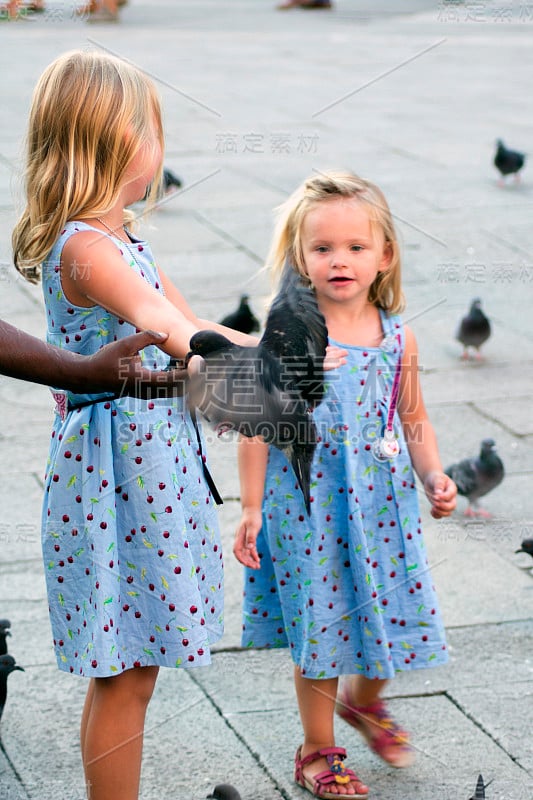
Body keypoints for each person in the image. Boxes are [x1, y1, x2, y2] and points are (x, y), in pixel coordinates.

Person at [13, 49, 257, 800]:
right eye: (151, 128)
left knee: (137, 667)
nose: (161, 144)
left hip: (149, 467)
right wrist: (228, 364)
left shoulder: (121, 239)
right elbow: (162, 324)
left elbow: (190, 321)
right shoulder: (85, 250)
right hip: (116, 478)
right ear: (115, 141)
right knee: (122, 672)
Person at [233, 171, 457, 799]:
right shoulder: (288, 336)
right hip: (309, 509)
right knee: (323, 628)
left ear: (385, 255)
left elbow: (413, 416)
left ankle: (364, 702)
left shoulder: (397, 335)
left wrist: (433, 474)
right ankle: (316, 748)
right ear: (300, 257)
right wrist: (250, 509)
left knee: (390, 610)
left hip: (383, 509)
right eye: (323, 247)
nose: (340, 260)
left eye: (357, 248)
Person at [0, 320, 187, 396]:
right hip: (113, 429)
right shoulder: (83, 244)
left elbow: (183, 321)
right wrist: (83, 371)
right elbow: (164, 319)